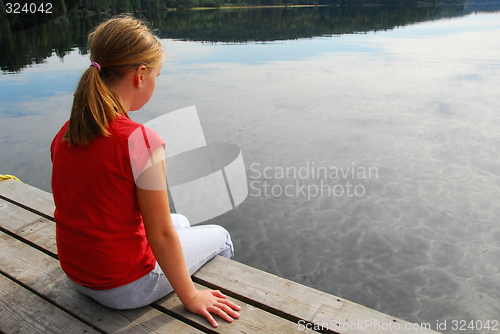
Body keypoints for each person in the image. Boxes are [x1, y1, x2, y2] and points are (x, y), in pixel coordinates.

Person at [50, 15, 240, 328]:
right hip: (124, 288)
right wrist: (190, 297)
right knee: (220, 236)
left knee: (182, 221)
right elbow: (160, 234)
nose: (155, 82)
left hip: (77, 275)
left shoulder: (66, 132)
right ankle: (223, 294)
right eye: (157, 75)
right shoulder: (141, 140)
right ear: (140, 75)